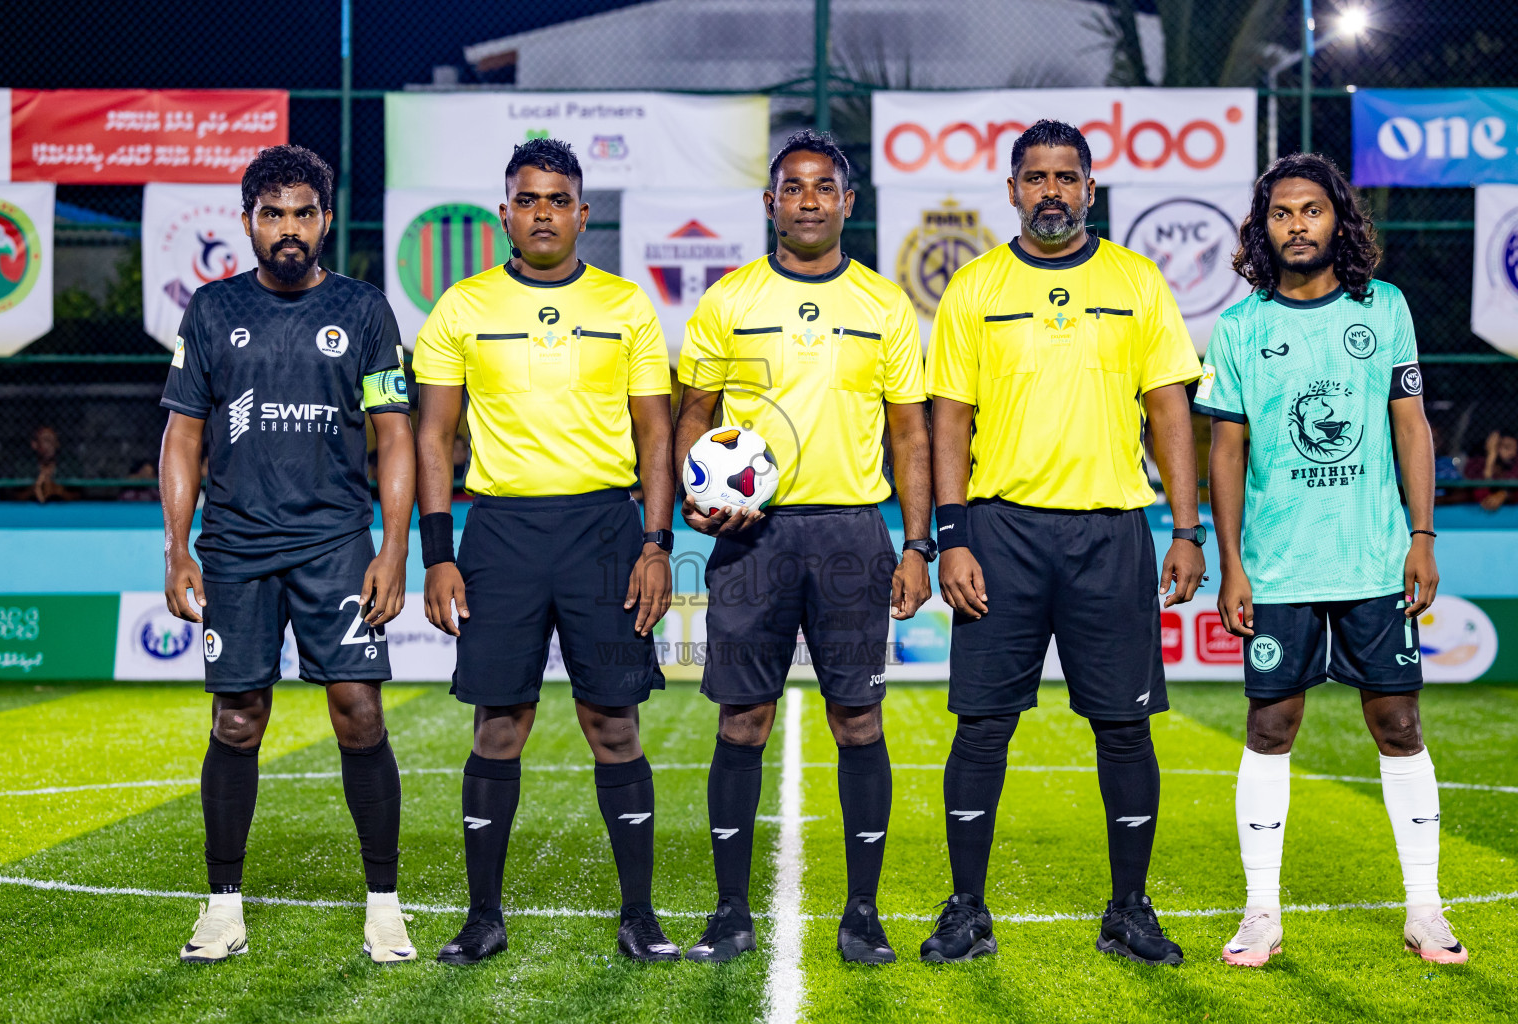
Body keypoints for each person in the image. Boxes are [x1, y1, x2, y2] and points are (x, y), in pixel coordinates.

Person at [922, 119, 1204, 966]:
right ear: (1011, 190)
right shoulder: (973, 287)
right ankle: (966, 910)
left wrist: (1185, 530)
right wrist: (952, 537)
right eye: (1035, 177)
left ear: (1090, 187)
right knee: (982, 727)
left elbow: (1170, 413)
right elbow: (949, 420)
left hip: (1111, 533)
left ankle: (1130, 910)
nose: (1051, 190)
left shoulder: (1137, 281)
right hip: (1000, 534)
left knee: (1125, 729)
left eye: (1066, 177)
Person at [1195, 152, 1466, 966]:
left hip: (1374, 559)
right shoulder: (1241, 327)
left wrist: (1422, 536)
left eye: (1312, 210)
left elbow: (1410, 425)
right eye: (1282, 213)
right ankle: (1261, 914)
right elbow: (1226, 449)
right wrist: (1231, 563)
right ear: (1262, 226)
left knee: (1399, 723)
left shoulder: (1383, 308)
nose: (1297, 225)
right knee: (1270, 725)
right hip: (1279, 564)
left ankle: (1426, 908)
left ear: (1337, 220)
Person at [413, 138, 678, 965]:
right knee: (502, 725)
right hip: (500, 536)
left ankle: (639, 915)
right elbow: (433, 435)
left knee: (614, 725)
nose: (542, 213)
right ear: (506, 213)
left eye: (558, 199)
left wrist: (656, 542)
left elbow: (656, 434)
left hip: (604, 531)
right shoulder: (461, 306)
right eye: (527, 200)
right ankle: (483, 917)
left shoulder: (628, 306)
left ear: (582, 214)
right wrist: (438, 552)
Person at [675, 130, 933, 965]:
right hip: (755, 538)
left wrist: (919, 542)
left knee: (857, 717)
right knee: (742, 717)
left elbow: (909, 431)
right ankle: (728, 911)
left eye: (826, 187)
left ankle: (862, 913)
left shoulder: (886, 305)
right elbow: (694, 413)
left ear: (848, 202)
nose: (810, 200)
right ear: (771, 202)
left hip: (854, 532)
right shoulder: (729, 299)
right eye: (794, 188)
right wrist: (691, 497)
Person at [159, 145, 417, 964]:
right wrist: (176, 549)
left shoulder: (365, 310)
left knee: (360, 712)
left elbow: (396, 434)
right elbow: (183, 434)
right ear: (248, 223)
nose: (289, 228)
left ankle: (384, 905)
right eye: (272, 214)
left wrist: (393, 547)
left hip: (337, 545)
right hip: (233, 548)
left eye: (304, 212)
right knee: (236, 721)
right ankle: (221, 908)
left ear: (327, 220)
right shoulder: (209, 310)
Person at [20, 425, 77, 503]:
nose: (51, 445)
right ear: (35, 444)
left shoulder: (69, 467)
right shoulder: (24, 467)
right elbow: (12, 495)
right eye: (46, 440)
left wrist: (59, 492)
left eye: (53, 441)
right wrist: (34, 491)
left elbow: (80, 494)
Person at [1465, 430, 1516, 511]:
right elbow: (1480, 494)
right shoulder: (1476, 463)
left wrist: (1504, 494)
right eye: (1507, 447)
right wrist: (1491, 456)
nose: (1513, 453)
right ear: (1493, 446)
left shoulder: (1513, 465)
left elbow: (1513, 488)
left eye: (1515, 449)